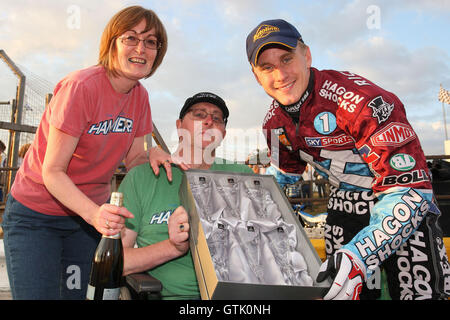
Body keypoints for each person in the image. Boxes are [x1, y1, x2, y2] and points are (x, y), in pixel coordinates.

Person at [246, 19, 449, 300]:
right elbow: (282, 180)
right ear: (256, 75)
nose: (279, 74)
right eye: (266, 67)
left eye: (286, 59)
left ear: (306, 56)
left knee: (419, 295)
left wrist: (359, 256)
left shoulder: (364, 101)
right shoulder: (272, 125)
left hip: (400, 204)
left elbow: (412, 190)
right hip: (345, 207)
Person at [1, 6, 180, 300]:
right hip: (37, 216)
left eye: (151, 42)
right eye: (131, 38)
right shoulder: (81, 87)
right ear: (112, 43)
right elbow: (52, 172)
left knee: (80, 296)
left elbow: (135, 159)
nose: (141, 48)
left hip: (85, 222)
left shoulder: (140, 97)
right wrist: (95, 215)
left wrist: (153, 154)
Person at [118, 92, 253, 299]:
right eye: (199, 114)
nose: (209, 121)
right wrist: (173, 247)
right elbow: (118, 261)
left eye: (217, 119)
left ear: (223, 134)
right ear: (180, 126)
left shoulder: (241, 176)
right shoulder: (142, 178)